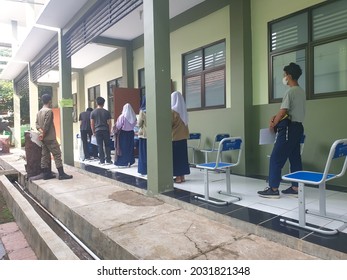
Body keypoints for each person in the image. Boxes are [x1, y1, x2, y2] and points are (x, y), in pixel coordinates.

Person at [258, 62, 306, 198]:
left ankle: (273, 189)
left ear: (289, 76)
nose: (284, 77)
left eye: (284, 74)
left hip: (289, 129)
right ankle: (296, 187)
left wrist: (273, 124)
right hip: (298, 128)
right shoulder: (301, 91)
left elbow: (283, 111)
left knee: (275, 157)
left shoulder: (290, 91)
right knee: (295, 157)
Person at [35, 94, 73, 180]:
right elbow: (47, 126)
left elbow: (37, 124)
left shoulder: (39, 111)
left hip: (44, 139)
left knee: (44, 155)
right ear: (50, 101)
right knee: (57, 154)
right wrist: (43, 134)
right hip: (50, 138)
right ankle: (61, 174)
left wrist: (41, 134)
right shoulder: (49, 111)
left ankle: (46, 174)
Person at [171, 91, 190, 183]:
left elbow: (169, 124)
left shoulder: (173, 111)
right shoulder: (184, 111)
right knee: (182, 157)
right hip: (183, 138)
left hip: (175, 138)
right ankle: (182, 176)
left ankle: (178, 177)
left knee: (176, 158)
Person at [90, 97, 112, 165]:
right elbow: (109, 123)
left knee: (100, 146)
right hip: (105, 130)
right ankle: (108, 160)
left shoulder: (93, 112)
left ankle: (102, 160)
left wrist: (93, 131)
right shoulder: (107, 112)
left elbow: (92, 123)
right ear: (104, 103)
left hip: (97, 131)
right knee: (107, 145)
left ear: (96, 103)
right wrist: (110, 131)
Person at [113, 103, 137, 167]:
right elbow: (135, 124)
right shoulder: (134, 116)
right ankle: (130, 161)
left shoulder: (122, 116)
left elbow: (118, 125)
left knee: (122, 148)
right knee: (130, 147)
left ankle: (122, 162)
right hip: (131, 133)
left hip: (123, 134)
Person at [137, 96, 147, 175]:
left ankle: (144, 170)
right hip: (155, 136)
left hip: (144, 135)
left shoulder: (143, 111)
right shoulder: (157, 108)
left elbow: (139, 123)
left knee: (144, 154)